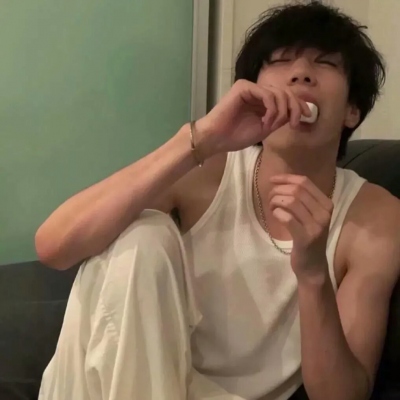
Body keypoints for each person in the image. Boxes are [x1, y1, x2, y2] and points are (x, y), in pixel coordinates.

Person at [37, 2, 400, 400]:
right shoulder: (207, 173)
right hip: (120, 382)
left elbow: (342, 396)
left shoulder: (374, 218)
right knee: (143, 236)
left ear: (352, 110)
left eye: (325, 63)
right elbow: (54, 246)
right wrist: (201, 138)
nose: (300, 73)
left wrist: (314, 274)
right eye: (280, 61)